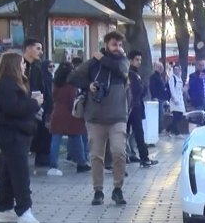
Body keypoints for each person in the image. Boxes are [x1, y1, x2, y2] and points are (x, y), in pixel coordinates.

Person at [69, 31, 131, 206]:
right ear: (106, 45)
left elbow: (121, 70)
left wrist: (102, 58)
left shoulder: (123, 61)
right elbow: (72, 78)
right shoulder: (93, 64)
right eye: (114, 45)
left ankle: (118, 189)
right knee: (96, 156)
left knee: (119, 152)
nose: (117, 48)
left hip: (118, 117)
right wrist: (88, 85)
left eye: (120, 45)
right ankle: (98, 191)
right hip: (95, 117)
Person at [0, 51, 42, 223]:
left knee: (8, 171)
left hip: (14, 132)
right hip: (13, 133)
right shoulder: (8, 84)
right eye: (21, 63)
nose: (24, 66)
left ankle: (4, 207)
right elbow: (13, 108)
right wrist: (35, 103)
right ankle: (24, 209)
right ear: (13, 65)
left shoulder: (10, 83)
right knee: (20, 172)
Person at [48, 58, 90, 175]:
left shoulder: (56, 83)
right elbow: (72, 101)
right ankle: (81, 163)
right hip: (71, 115)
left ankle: (53, 165)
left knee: (55, 140)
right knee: (77, 137)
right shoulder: (72, 85)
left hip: (57, 113)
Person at [22, 38, 52, 167]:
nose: (41, 52)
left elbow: (41, 88)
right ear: (28, 49)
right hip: (23, 109)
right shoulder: (20, 66)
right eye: (38, 48)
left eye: (41, 49)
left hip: (36, 108)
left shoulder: (37, 67)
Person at [126, 50, 157, 168]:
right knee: (135, 133)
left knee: (135, 133)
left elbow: (142, 90)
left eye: (140, 60)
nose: (139, 62)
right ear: (130, 61)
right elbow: (136, 91)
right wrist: (142, 89)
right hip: (132, 108)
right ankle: (142, 157)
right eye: (137, 60)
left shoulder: (136, 74)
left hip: (136, 107)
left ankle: (136, 155)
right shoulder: (130, 74)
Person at [165, 65, 187, 137]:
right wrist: (175, 99)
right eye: (175, 69)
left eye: (178, 69)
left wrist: (185, 88)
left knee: (179, 116)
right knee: (176, 117)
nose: (176, 71)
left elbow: (180, 90)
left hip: (180, 100)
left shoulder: (180, 78)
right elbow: (172, 90)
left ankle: (168, 130)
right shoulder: (172, 78)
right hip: (175, 101)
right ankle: (176, 132)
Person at [150, 61, 168, 133]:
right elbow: (152, 87)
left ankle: (160, 128)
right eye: (160, 67)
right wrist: (154, 96)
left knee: (161, 113)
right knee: (159, 113)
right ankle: (160, 128)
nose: (162, 69)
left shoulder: (160, 76)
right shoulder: (154, 77)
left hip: (161, 97)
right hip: (158, 97)